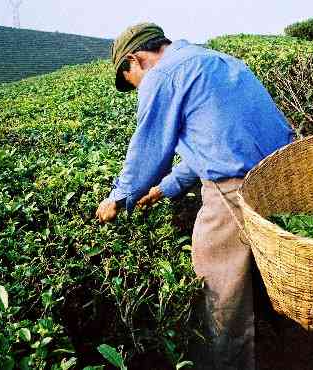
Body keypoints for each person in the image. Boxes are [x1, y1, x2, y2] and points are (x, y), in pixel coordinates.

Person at [96, 22, 295, 370]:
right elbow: (217, 141)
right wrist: (166, 187)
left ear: (136, 59)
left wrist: (119, 197)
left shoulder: (162, 76)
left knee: (217, 286)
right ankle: (285, 336)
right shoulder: (216, 60)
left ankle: (227, 364)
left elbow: (148, 151)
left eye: (134, 82)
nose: (140, 88)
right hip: (281, 175)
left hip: (236, 191)